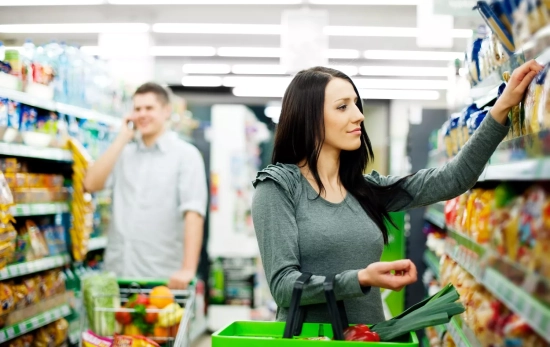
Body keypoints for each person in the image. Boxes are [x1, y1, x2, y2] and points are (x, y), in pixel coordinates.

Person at [251, 60, 543, 324]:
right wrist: (361, 278)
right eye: (342, 107)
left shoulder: (365, 189)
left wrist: (501, 107)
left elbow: (453, 179)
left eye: (356, 104)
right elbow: (284, 287)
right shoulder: (277, 187)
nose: (358, 115)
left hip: (370, 339)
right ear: (309, 118)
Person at [84, 82, 207, 289]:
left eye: (149, 108)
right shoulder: (123, 153)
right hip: (118, 274)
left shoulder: (186, 155)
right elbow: (90, 184)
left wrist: (188, 269)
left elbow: (193, 213)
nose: (142, 114)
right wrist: (122, 138)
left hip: (162, 278)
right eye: (137, 109)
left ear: (166, 111)